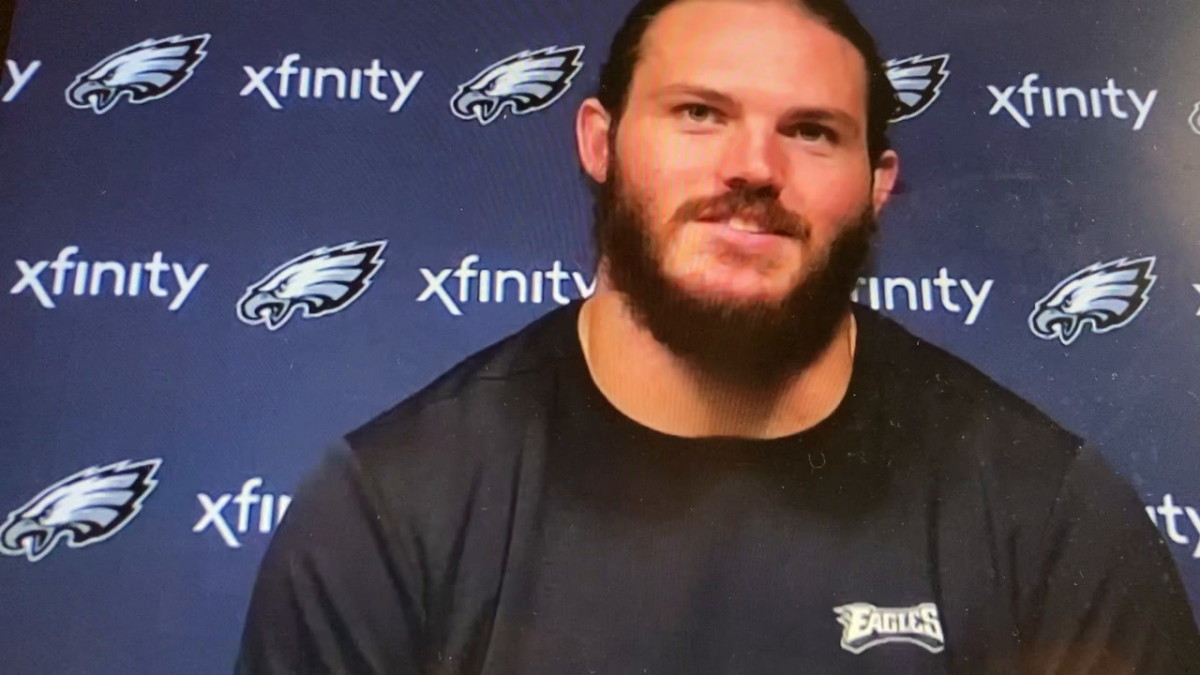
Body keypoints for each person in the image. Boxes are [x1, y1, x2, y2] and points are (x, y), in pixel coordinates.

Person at [236, 0, 1200, 672]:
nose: (754, 166)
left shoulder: (1049, 514)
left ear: (878, 182)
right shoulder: (391, 511)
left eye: (814, 132)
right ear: (599, 142)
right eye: (699, 113)